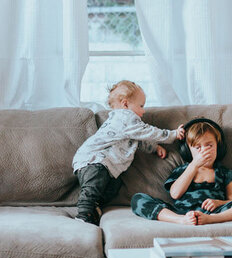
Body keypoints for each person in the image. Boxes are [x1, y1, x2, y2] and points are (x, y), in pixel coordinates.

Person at [72, 81, 185, 225]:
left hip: (104, 165)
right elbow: (147, 132)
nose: (143, 111)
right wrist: (173, 134)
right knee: (93, 188)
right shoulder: (125, 118)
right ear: (125, 104)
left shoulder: (126, 124)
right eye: (141, 106)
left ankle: (95, 206)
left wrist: (155, 148)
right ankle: (83, 215)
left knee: (114, 187)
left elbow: (139, 139)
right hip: (94, 160)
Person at [130, 118, 232, 225]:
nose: (204, 151)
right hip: (181, 212)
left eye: (209, 145)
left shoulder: (225, 173)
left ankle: (212, 219)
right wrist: (194, 165)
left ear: (219, 147)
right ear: (189, 151)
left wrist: (218, 203)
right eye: (198, 147)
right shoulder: (184, 170)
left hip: (215, 212)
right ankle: (181, 221)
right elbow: (175, 194)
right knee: (138, 199)